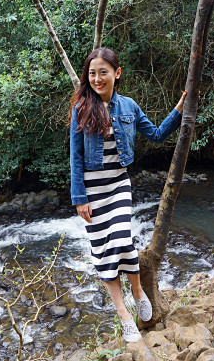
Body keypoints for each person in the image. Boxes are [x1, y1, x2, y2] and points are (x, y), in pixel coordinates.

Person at [69, 47, 186, 343]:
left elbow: (157, 135)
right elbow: (75, 157)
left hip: (119, 183)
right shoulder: (81, 108)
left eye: (103, 72)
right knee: (105, 254)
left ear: (116, 74)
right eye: (92, 73)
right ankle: (124, 316)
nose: (97, 78)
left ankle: (137, 293)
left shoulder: (129, 107)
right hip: (92, 190)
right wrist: (79, 197)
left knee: (122, 241)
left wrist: (179, 111)